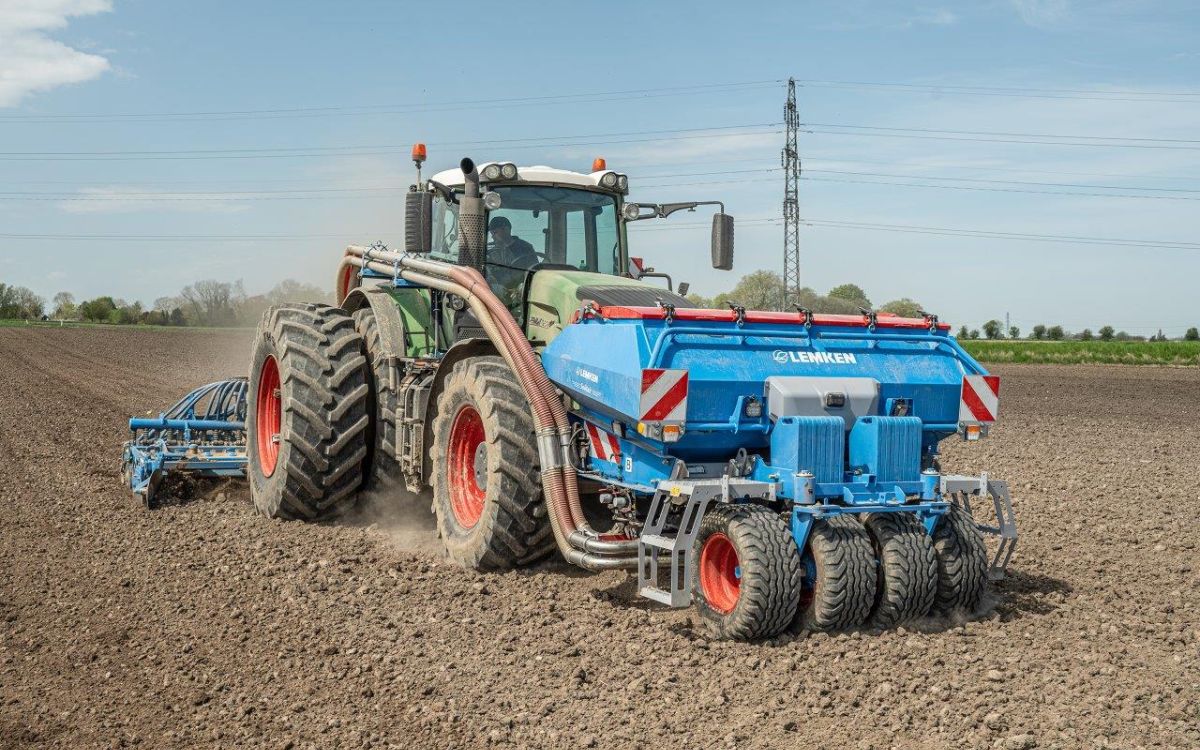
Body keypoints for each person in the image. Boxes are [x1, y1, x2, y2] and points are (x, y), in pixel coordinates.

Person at [486, 216, 539, 304]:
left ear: (506, 230)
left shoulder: (525, 248)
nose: (492, 236)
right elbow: (487, 272)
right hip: (495, 296)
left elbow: (534, 272)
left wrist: (523, 287)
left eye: (495, 232)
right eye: (491, 233)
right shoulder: (490, 251)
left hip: (521, 295)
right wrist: (494, 286)